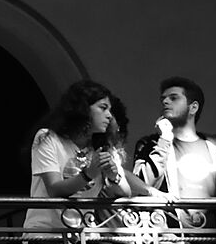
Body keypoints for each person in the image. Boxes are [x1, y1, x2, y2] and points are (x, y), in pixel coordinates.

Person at [26, 79, 160, 234]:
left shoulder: (103, 148)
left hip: (84, 237)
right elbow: (55, 189)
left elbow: (125, 192)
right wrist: (88, 174)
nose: (109, 116)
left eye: (110, 110)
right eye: (103, 108)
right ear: (82, 109)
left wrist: (113, 176)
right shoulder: (48, 138)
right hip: (46, 235)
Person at [135, 76, 216, 230]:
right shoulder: (150, 144)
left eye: (173, 98)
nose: (165, 102)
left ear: (193, 108)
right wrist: (164, 139)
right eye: (163, 99)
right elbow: (141, 187)